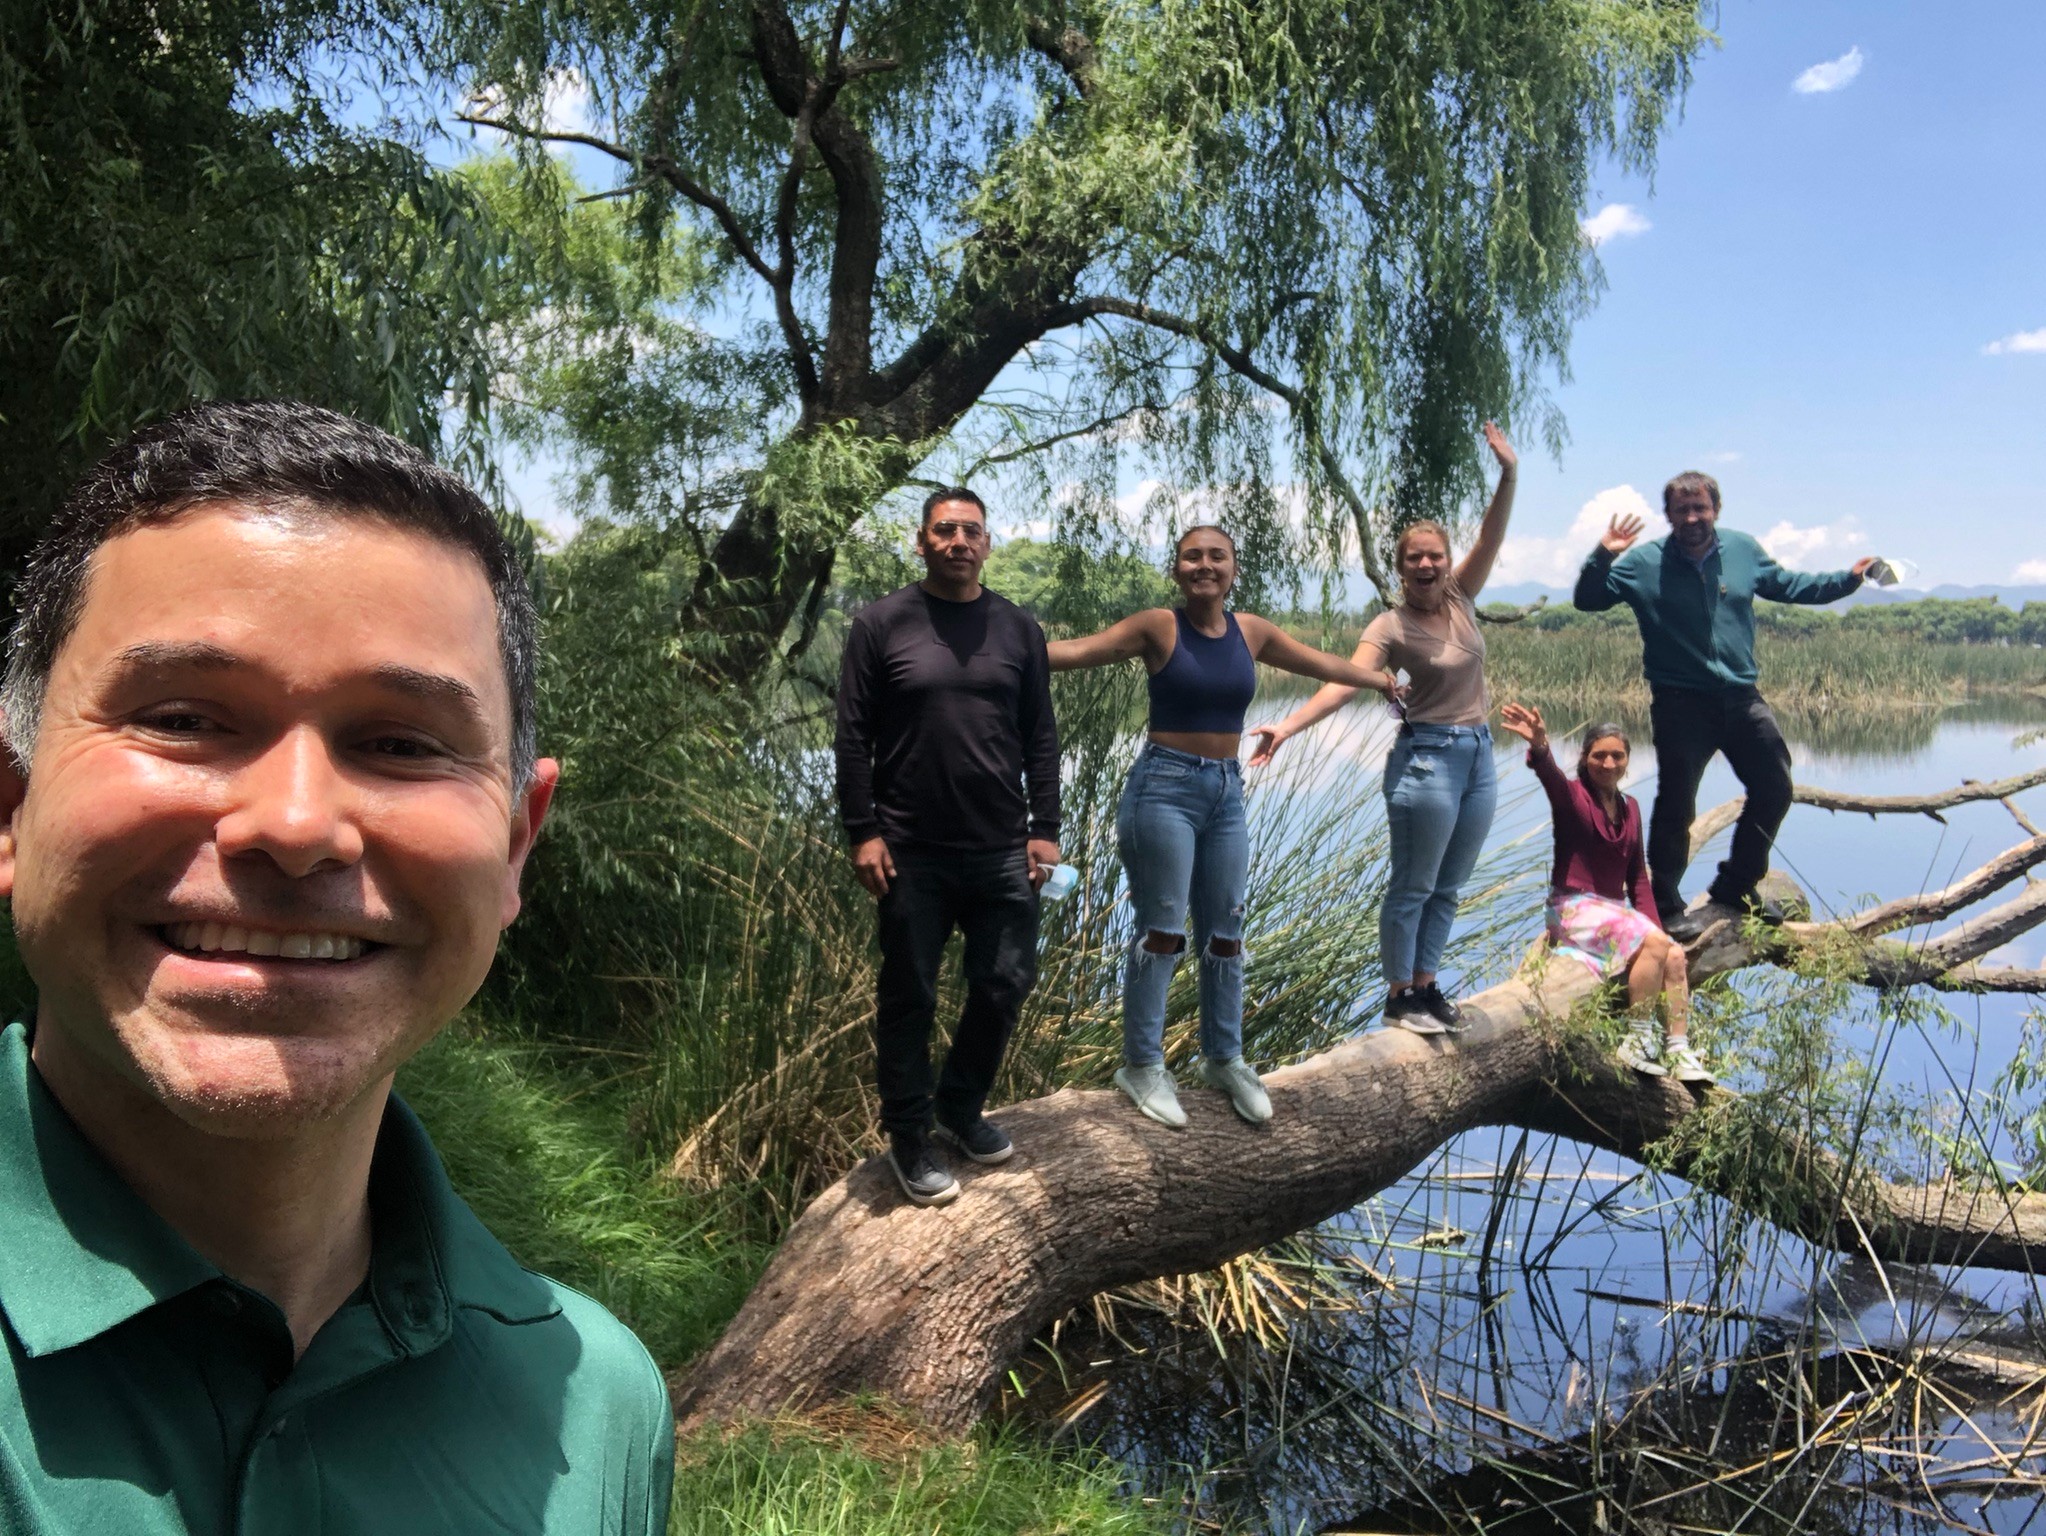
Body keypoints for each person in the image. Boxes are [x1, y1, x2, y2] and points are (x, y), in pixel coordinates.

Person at [0, 401, 673, 1533]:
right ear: (12, 805)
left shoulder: (598, 1405)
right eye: (183, 717)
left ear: (517, 843)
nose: (298, 823)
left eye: (401, 743)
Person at [1047, 525, 1404, 1128]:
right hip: (1163, 788)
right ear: (1177, 568)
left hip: (1226, 791)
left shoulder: (1251, 631)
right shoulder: (1158, 626)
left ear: (1235, 567)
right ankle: (1141, 1065)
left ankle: (1225, 1057)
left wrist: (1380, 679)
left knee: (1227, 933)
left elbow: (1318, 663)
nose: (1205, 566)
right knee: (1162, 930)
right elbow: (1077, 651)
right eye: (1193, 557)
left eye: (1218, 556)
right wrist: (1003, 641)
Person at [1251, 422, 1521, 1032]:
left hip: (1479, 755)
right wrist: (1289, 727)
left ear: (1446, 562)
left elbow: (1492, 535)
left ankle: (1426, 986)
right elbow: (1346, 680)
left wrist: (1508, 474)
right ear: (1399, 568)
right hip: (1427, 760)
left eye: (1436, 555)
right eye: (1414, 558)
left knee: (1450, 884)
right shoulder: (1390, 626)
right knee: (1414, 884)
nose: (1427, 564)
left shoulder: (1460, 598)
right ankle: (1398, 996)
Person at [834, 487, 1059, 1207]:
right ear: (922, 542)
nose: (959, 540)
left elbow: (1041, 738)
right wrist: (861, 831)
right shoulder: (880, 624)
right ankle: (909, 1136)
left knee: (1004, 983)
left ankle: (959, 1110)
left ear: (987, 543)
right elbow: (851, 739)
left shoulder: (1018, 628)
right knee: (911, 996)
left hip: (1001, 847)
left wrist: (1045, 827)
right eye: (945, 530)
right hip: (910, 851)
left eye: (971, 530)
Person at [1572, 473, 1873, 940]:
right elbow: (1587, 600)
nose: (1692, 518)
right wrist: (1604, 553)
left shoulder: (1742, 551)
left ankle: (1737, 885)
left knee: (1775, 787)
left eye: (1701, 508)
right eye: (1681, 510)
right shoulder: (1644, 563)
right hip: (1680, 703)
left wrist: (1849, 580)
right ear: (1668, 515)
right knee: (1676, 806)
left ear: (1716, 509)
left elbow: (1792, 585)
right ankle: (1664, 904)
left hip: (1741, 699)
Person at [1498, 704, 1713, 1082]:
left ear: (1628, 760)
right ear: (1585, 758)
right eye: (1599, 755)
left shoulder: (1630, 808)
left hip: (1612, 912)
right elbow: (1551, 779)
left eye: (1618, 755)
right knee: (1656, 945)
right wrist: (1541, 747)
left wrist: (1656, 933)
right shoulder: (1573, 798)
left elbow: (1639, 881)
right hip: (1573, 908)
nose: (1609, 763)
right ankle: (1638, 1039)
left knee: (1674, 953)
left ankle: (1678, 1049)